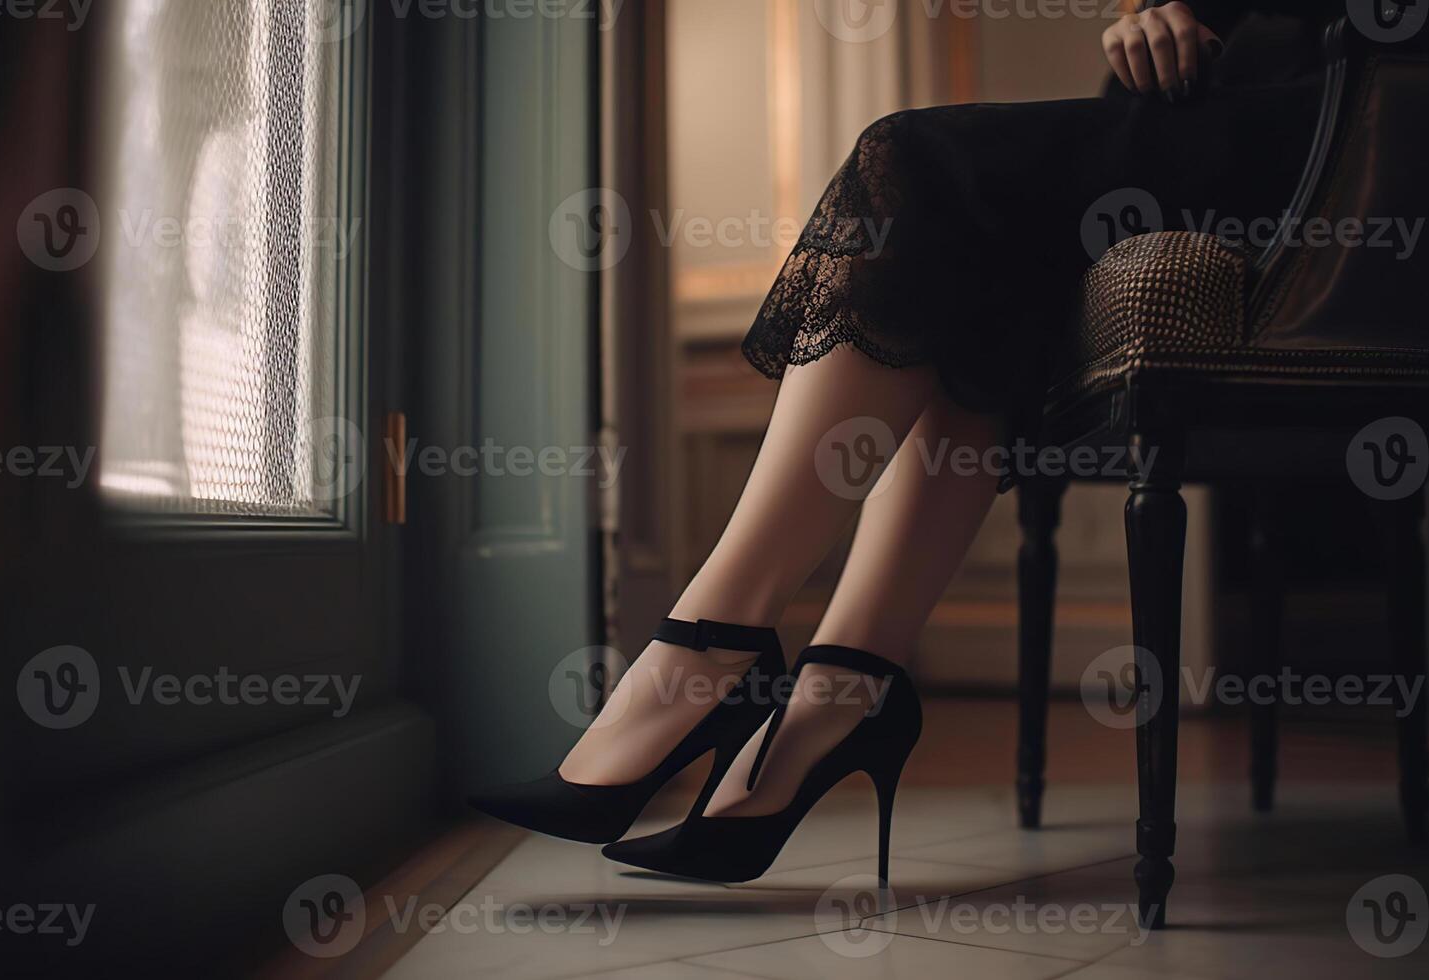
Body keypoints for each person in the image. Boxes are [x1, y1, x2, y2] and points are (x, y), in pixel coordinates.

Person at [472, 0, 1334, 883]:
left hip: (1352, 134)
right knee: (977, 280)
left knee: (913, 158)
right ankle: (844, 687)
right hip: (1207, 101)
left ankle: (711, 649)